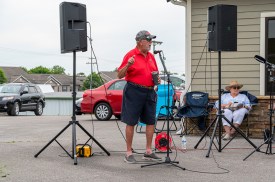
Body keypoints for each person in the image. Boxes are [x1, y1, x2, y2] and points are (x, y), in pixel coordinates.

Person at [117, 30, 162, 164]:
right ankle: (128, 153)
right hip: (134, 91)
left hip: (149, 91)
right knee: (131, 121)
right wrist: (128, 65)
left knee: (150, 121)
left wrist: (157, 80)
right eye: (148, 40)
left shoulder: (151, 56)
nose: (150, 43)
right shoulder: (131, 55)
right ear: (140, 41)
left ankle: (148, 151)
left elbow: (155, 72)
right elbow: (119, 75)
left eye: (151, 40)